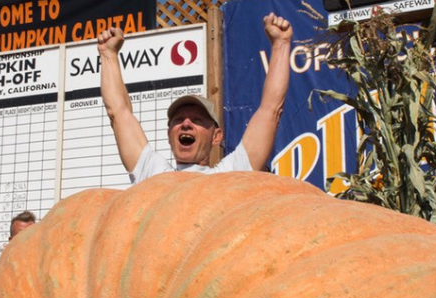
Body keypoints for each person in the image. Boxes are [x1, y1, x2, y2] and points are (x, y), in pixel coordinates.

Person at [97, 13, 293, 184]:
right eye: (178, 120)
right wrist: (108, 55)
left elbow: (271, 110)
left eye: (197, 120)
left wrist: (281, 45)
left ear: (216, 136)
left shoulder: (230, 175)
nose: (186, 124)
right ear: (169, 134)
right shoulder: (153, 174)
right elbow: (119, 113)